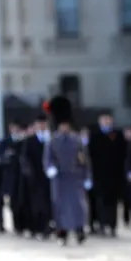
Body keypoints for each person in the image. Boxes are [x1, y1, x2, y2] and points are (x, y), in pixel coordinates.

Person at [43, 96, 91, 245]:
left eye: (66, 125)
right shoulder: (52, 140)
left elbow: (84, 159)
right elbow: (47, 158)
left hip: (74, 177)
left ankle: (79, 231)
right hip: (60, 178)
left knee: (78, 206)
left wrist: (88, 176)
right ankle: (61, 233)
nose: (64, 127)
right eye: (62, 125)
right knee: (60, 207)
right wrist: (50, 169)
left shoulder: (77, 140)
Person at [88, 113, 126, 237]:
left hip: (114, 174)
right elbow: (90, 155)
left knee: (113, 202)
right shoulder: (94, 135)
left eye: (108, 119)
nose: (106, 121)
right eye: (104, 120)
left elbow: (123, 154)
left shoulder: (118, 134)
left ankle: (112, 225)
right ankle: (102, 224)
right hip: (99, 174)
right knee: (100, 201)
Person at [19, 113, 52, 239]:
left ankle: (48, 226)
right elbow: (25, 158)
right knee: (37, 204)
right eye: (39, 124)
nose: (42, 126)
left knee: (49, 203)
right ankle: (39, 227)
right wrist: (29, 172)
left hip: (49, 178)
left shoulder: (51, 139)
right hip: (35, 178)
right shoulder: (30, 140)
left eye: (44, 123)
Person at [0, 119, 25, 235]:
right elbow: (0, 159)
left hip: (22, 177)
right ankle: (16, 225)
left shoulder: (24, 142)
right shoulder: (5, 142)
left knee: (22, 201)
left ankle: (23, 225)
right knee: (13, 202)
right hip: (10, 177)